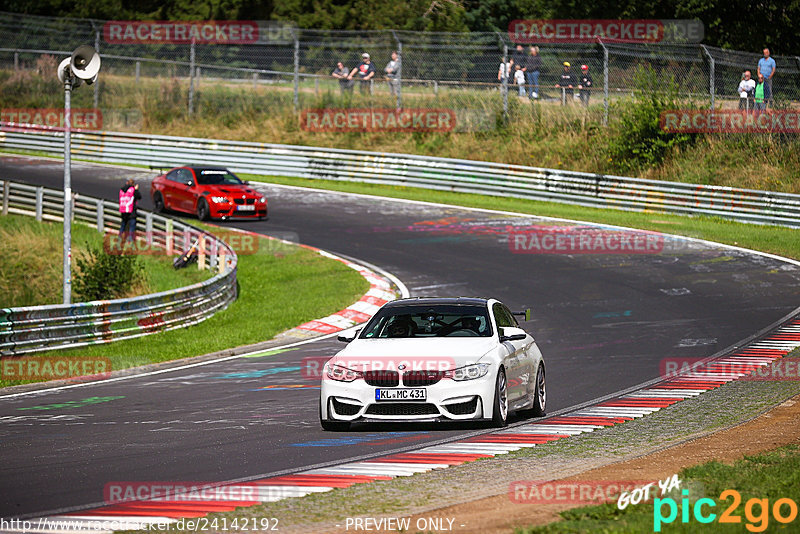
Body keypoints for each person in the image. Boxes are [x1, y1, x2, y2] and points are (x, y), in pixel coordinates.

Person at [118, 178, 141, 242]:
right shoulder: (133, 190)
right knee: (132, 226)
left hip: (123, 210)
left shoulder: (122, 190)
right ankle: (130, 241)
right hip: (131, 212)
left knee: (123, 225)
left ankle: (119, 238)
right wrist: (136, 190)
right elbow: (139, 197)